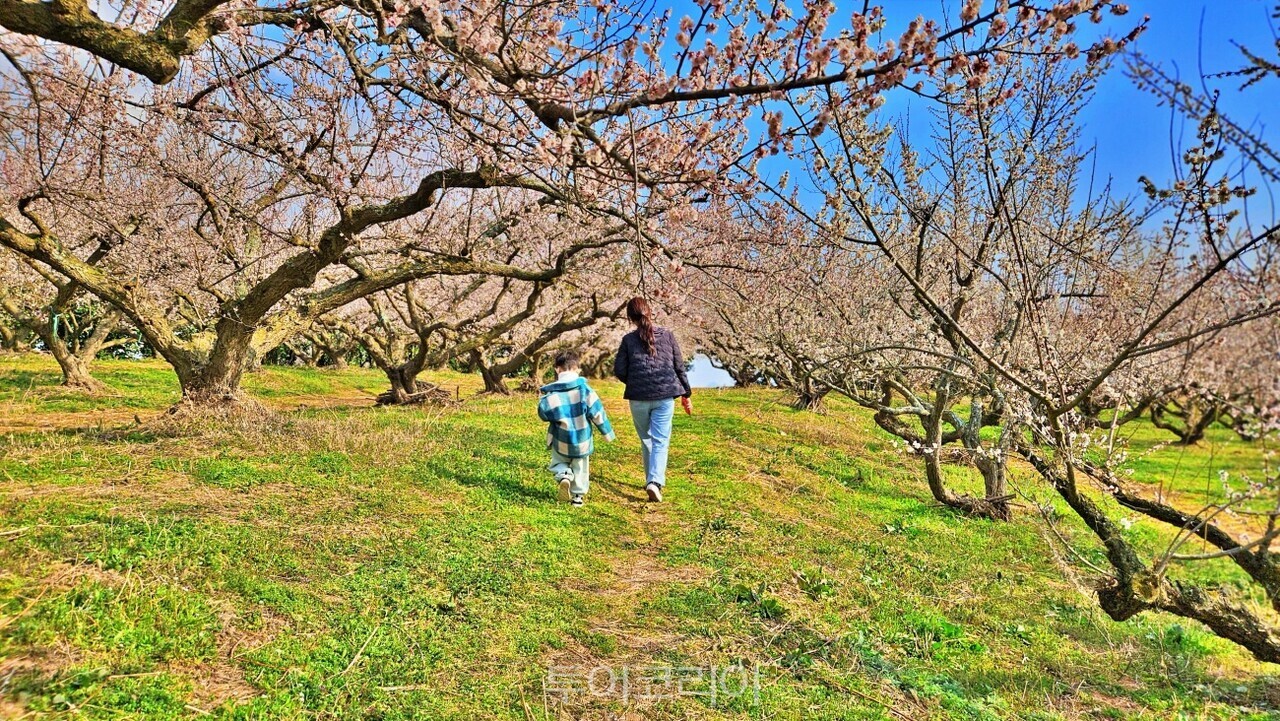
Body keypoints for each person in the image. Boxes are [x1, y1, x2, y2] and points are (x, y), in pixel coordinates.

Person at [613, 297, 692, 503]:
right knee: (660, 440)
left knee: (646, 438)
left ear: (630, 318)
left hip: (638, 398)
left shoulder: (628, 340)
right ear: (650, 312)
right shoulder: (667, 336)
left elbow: (619, 370)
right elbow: (679, 366)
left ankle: (651, 480)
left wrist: (635, 380)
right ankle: (654, 482)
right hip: (665, 395)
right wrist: (686, 393)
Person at [537, 349, 615, 507]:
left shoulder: (551, 394)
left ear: (557, 369)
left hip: (560, 439)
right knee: (581, 468)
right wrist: (607, 433)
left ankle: (564, 475)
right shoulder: (585, 391)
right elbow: (598, 413)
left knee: (558, 462)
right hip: (582, 441)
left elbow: (543, 413)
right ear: (577, 369)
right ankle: (577, 498)